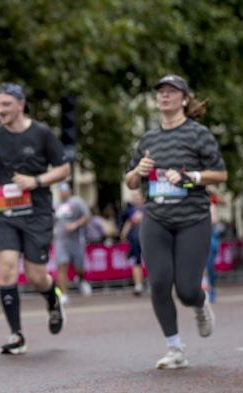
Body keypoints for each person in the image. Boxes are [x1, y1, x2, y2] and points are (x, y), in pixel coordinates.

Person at [125, 74, 226, 369]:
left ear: (184, 99)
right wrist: (139, 171)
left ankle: (199, 302)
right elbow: (130, 181)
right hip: (156, 217)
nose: (164, 96)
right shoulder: (148, 139)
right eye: (160, 92)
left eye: (171, 92)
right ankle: (175, 348)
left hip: (192, 219)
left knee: (186, 289)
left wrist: (190, 177)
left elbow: (219, 174)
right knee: (157, 282)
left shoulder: (198, 134)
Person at [0, 83, 71, 355]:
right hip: (5, 214)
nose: (0, 110)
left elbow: (64, 169)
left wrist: (35, 181)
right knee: (8, 269)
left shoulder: (41, 133)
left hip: (36, 213)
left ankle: (52, 299)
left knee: (37, 276)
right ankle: (16, 335)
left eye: (5, 105)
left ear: (20, 105)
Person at [53, 182, 92, 305]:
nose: (62, 193)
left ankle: (81, 280)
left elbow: (87, 216)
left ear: (69, 190)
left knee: (79, 267)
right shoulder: (55, 205)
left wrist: (75, 225)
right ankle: (63, 294)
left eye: (64, 190)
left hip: (76, 240)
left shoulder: (76, 201)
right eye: (60, 190)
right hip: (60, 240)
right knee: (62, 265)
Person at [120, 190, 145, 296]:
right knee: (136, 262)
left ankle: (156, 285)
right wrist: (124, 234)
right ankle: (138, 285)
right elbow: (129, 222)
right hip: (135, 239)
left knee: (153, 262)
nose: (135, 198)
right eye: (133, 197)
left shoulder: (149, 208)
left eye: (137, 196)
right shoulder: (131, 210)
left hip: (149, 239)